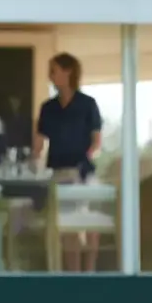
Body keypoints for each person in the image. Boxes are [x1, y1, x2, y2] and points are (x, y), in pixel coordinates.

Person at [32, 52, 103, 272]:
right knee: (67, 226)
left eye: (53, 71)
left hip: (82, 171)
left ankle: (89, 272)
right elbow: (39, 144)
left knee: (91, 223)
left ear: (68, 71)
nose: (50, 76)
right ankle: (73, 275)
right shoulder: (48, 108)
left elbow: (96, 141)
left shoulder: (88, 104)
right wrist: (33, 165)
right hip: (58, 172)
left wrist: (83, 161)